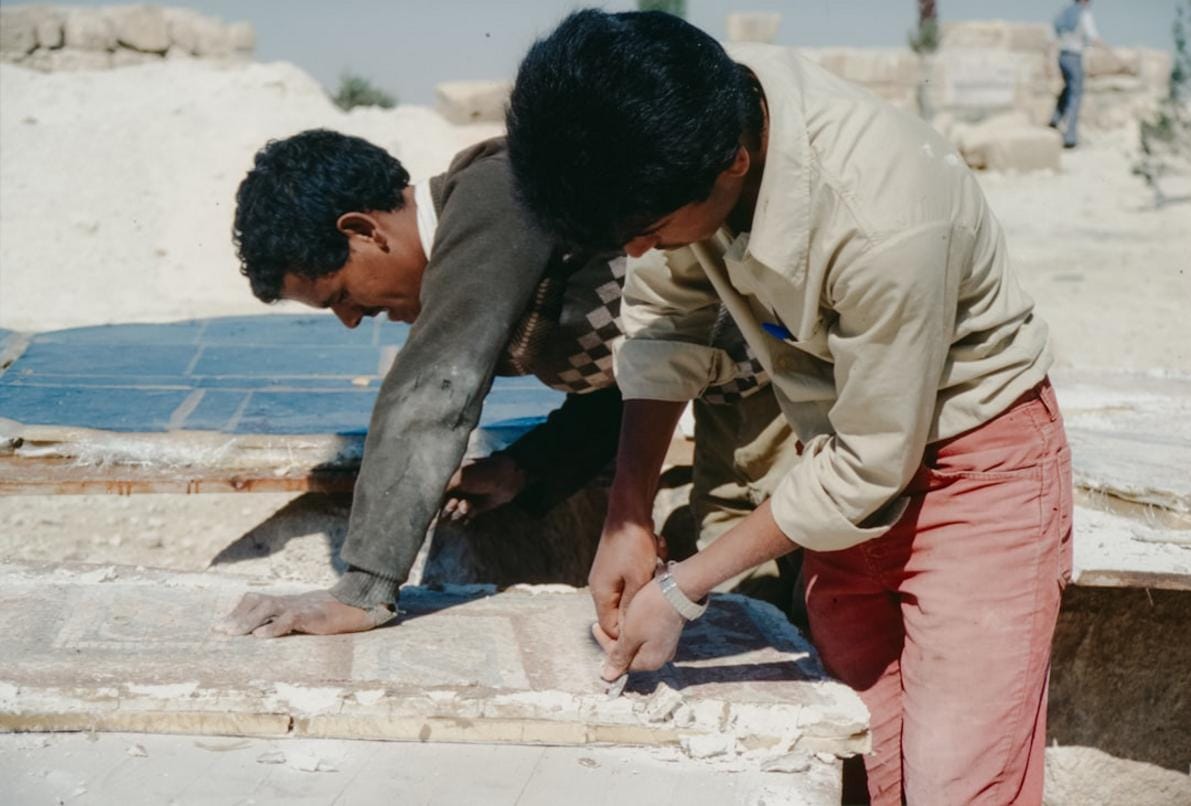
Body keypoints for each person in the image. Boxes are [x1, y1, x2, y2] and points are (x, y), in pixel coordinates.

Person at [505, 10, 1072, 805]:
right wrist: (627, 515)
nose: (635, 252)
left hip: (972, 470)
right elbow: (666, 323)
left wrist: (683, 587)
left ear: (733, 164)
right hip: (834, 464)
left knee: (957, 780)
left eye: (646, 231)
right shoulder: (698, 114)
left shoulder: (885, 219)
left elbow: (872, 460)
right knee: (857, 746)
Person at [219, 129, 799, 639]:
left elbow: (433, 388)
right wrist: (525, 468)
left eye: (341, 295)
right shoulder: (488, 249)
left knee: (802, 578)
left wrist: (364, 588)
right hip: (731, 401)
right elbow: (627, 379)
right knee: (745, 584)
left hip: (790, 386)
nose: (350, 318)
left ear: (364, 231)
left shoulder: (496, 192)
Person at [1051, 0, 1105, 148]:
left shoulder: (1066, 11)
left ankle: (1055, 119)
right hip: (1074, 56)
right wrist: (1106, 49)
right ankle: (1070, 137)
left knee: (1068, 87)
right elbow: (1092, 36)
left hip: (1062, 55)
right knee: (1076, 94)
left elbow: (1056, 28)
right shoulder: (1083, 14)